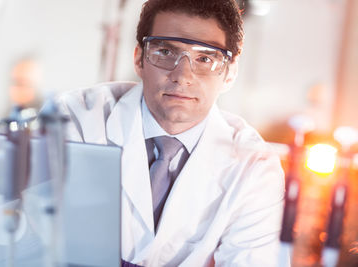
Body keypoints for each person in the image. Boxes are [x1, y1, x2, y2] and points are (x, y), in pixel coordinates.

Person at [56, 0, 286, 266]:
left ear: (230, 73)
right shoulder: (76, 119)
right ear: (139, 59)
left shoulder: (254, 167)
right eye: (165, 51)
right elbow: (36, 242)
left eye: (205, 58)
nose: (183, 75)